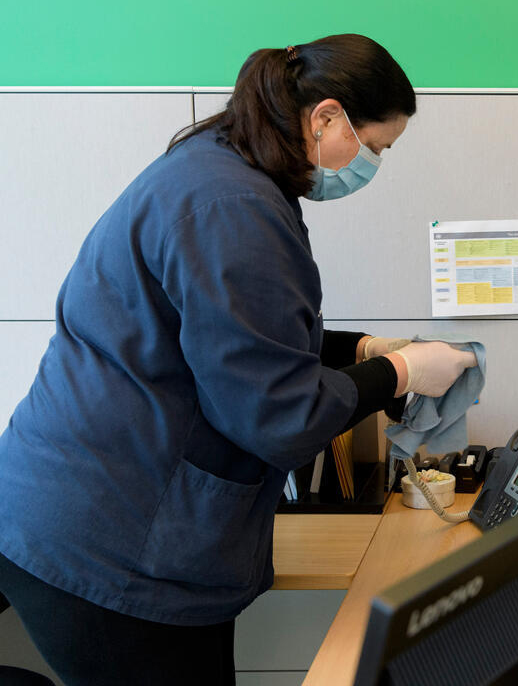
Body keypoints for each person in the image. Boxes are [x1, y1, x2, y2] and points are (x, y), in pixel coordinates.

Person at [0, 34, 477, 684]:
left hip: (79, 508)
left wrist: (362, 350)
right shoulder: (234, 207)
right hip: (112, 541)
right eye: (377, 147)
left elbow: (237, 337)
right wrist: (400, 373)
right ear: (327, 117)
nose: (373, 164)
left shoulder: (216, 169)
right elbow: (278, 416)